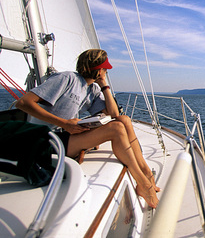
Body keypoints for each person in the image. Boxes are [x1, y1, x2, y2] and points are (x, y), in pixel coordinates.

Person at [15, 49, 159, 208]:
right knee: (117, 129)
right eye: (104, 69)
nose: (106, 72)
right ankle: (143, 183)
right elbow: (23, 103)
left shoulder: (93, 89)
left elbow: (114, 114)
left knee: (123, 120)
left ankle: (145, 170)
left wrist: (104, 85)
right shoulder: (66, 79)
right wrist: (64, 123)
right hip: (45, 140)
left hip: (64, 136)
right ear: (96, 68)